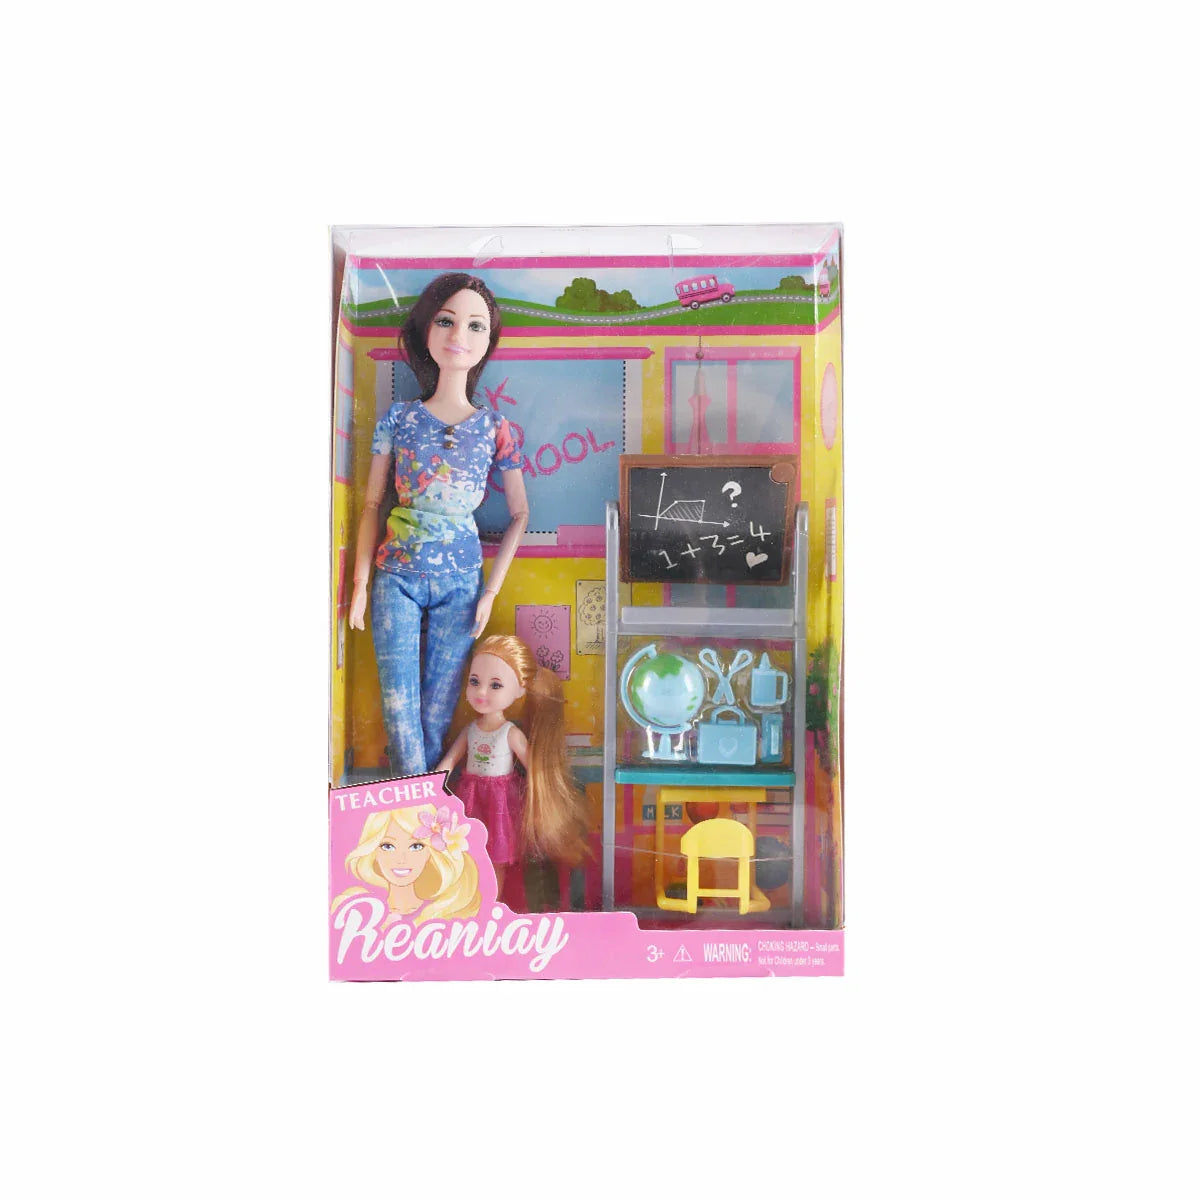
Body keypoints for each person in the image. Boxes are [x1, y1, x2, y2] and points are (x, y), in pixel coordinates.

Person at [349, 274, 528, 775]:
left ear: (489, 339)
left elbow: (520, 514)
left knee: (438, 711)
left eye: (476, 326)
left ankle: (420, 810)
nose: (459, 336)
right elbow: (371, 504)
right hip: (397, 574)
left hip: (462, 581)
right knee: (399, 709)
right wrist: (360, 584)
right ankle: (423, 807)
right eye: (446, 321)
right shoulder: (399, 419)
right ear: (426, 329)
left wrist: (491, 591)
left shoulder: (495, 428)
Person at [436, 635, 591, 898]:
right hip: (470, 797)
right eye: (474, 682)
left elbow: (534, 768)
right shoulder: (471, 729)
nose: (481, 692)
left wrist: (544, 794)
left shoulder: (509, 733)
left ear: (520, 690)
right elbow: (451, 760)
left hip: (500, 802)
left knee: (496, 856)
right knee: (468, 851)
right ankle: (470, 901)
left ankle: (493, 902)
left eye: (495, 685)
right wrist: (431, 784)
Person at [333, 805, 481, 925]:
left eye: (416, 846)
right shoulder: (361, 910)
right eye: (388, 846)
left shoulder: (445, 911)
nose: (401, 859)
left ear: (430, 853)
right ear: (374, 851)